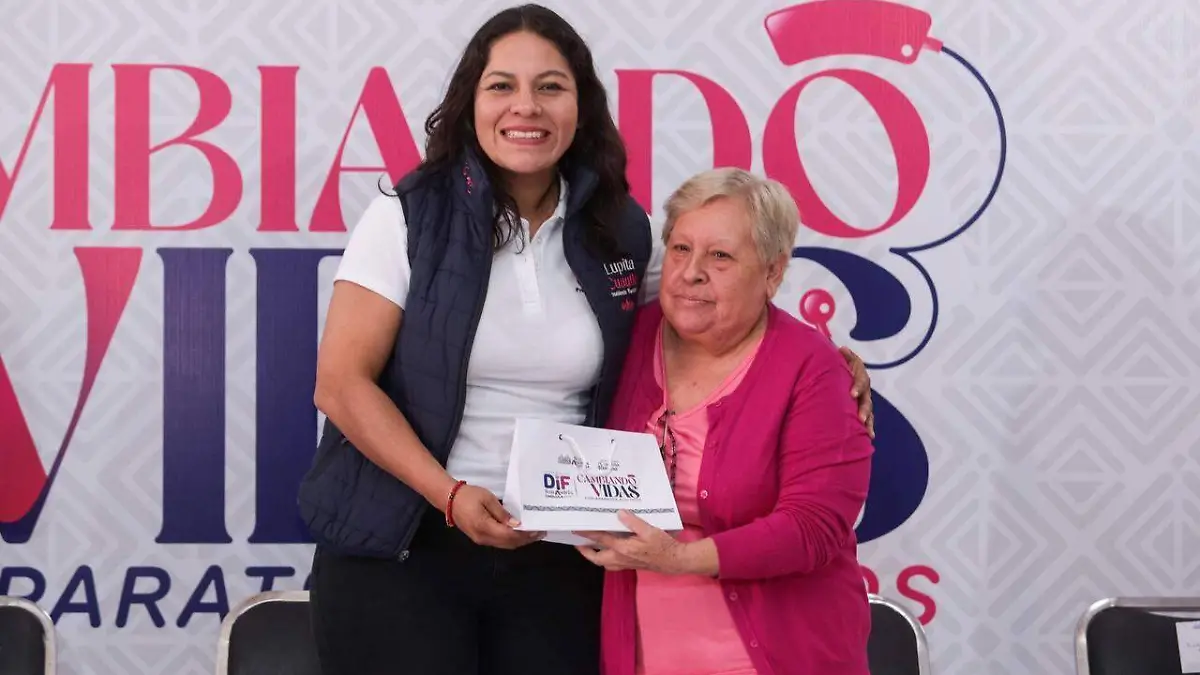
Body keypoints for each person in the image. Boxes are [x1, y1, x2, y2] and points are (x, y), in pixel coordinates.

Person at [296, 4, 874, 675]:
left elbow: (714, 300)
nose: (527, 107)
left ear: (581, 107)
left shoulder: (619, 228)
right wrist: (449, 495)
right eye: (502, 85)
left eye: (551, 86)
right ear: (471, 102)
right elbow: (341, 385)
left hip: (560, 555)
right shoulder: (406, 216)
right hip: (406, 545)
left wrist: (827, 362)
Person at [576, 168, 875, 675]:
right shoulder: (625, 336)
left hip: (779, 658)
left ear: (773, 273)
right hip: (641, 655)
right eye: (680, 249)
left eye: (721, 257)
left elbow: (815, 527)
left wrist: (678, 559)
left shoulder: (815, 370)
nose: (691, 272)